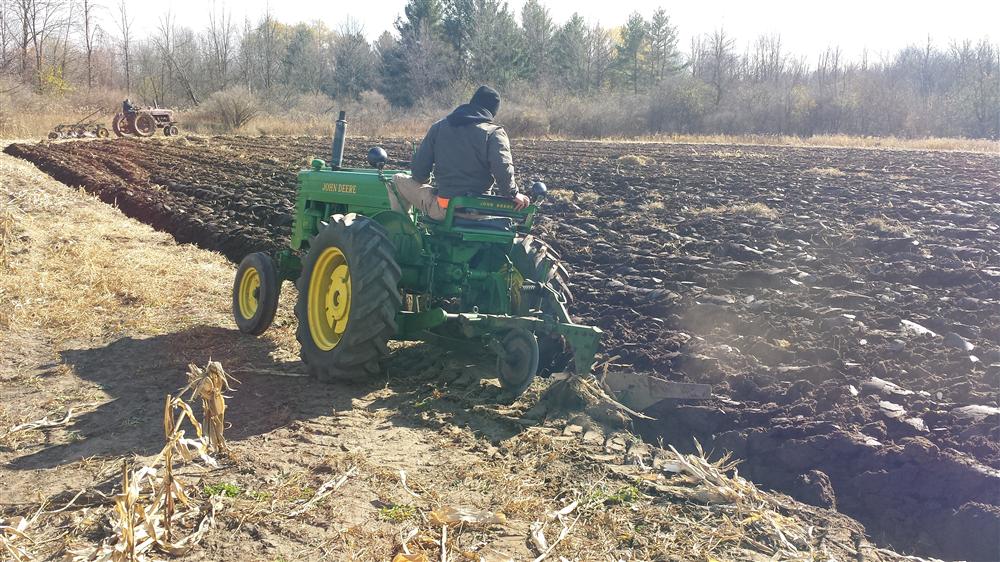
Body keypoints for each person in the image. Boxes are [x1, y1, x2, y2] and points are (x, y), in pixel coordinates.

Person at [388, 85, 529, 221]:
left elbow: (419, 173)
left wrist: (427, 183)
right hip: (479, 212)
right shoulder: (494, 133)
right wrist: (513, 193)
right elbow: (502, 168)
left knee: (396, 180)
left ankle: (405, 236)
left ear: (472, 103)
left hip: (444, 209)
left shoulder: (439, 127)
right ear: (492, 112)